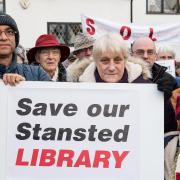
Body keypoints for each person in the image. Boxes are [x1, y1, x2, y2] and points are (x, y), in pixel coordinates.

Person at [131, 37, 177, 132]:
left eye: (150, 52)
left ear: (155, 56)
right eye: (140, 52)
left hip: (160, 136)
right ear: (131, 54)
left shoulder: (168, 79)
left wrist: (167, 100)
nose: (145, 56)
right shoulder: (120, 75)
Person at [78, 33, 152, 83]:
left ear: (125, 61)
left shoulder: (143, 84)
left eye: (117, 60)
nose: (111, 68)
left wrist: (163, 96)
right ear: (96, 62)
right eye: (105, 61)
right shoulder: (78, 88)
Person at [0, 12, 50, 86]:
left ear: (16, 38)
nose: (4, 37)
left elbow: (54, 95)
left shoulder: (37, 73)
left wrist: (25, 86)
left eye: (10, 32)